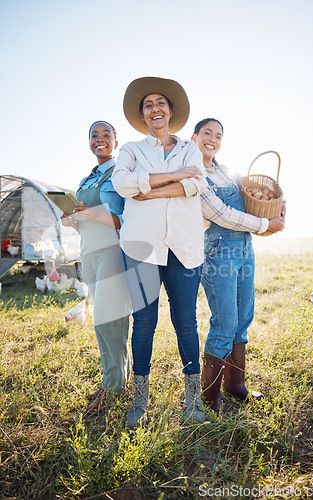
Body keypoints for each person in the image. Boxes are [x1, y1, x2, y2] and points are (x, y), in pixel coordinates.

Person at [111, 76, 208, 429]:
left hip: (183, 246)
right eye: (148, 105)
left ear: (170, 111)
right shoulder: (132, 151)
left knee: (185, 322)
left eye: (160, 103)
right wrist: (176, 176)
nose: (155, 109)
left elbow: (197, 183)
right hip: (140, 247)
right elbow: (121, 183)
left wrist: (148, 190)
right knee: (145, 322)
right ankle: (140, 399)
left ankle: (193, 399)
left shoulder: (190, 148)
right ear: (143, 115)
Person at [191, 118, 285, 414]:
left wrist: (276, 207)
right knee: (225, 321)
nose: (213, 139)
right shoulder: (193, 174)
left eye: (218, 135)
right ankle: (209, 396)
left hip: (245, 248)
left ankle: (235, 385)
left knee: (244, 316)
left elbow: (250, 199)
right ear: (194, 137)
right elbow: (221, 214)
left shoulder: (227, 172)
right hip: (217, 250)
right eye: (207, 133)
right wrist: (264, 223)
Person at [61, 121, 131, 412]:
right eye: (94, 135)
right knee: (100, 324)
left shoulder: (120, 174)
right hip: (89, 253)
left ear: (116, 141)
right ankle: (110, 380)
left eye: (106, 135)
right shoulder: (85, 181)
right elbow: (87, 224)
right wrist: (73, 221)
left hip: (112, 252)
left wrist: (92, 215)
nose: (100, 140)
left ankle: (116, 387)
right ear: (89, 141)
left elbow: (127, 219)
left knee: (110, 321)